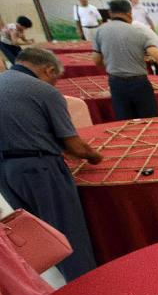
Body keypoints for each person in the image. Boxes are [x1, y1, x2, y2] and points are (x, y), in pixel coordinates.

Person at [0, 48, 103, 282]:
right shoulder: (43, 90)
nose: (55, 83)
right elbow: (74, 146)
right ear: (48, 70)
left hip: (5, 171)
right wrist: (95, 157)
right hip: (39, 168)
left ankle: (58, 279)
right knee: (66, 230)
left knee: (37, 228)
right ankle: (86, 285)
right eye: (55, 78)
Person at [92, 0, 158, 120]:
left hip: (115, 83)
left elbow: (97, 60)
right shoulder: (139, 32)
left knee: (124, 121)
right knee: (149, 120)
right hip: (139, 83)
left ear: (110, 13)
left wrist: (112, 66)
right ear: (129, 13)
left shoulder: (100, 31)